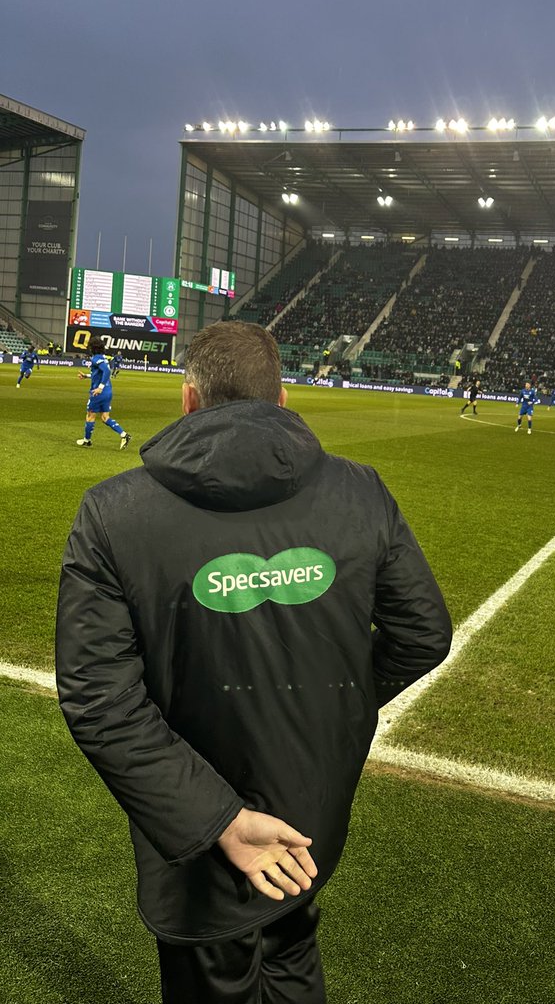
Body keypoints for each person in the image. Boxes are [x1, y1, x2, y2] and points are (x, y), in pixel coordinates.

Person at [56, 320, 452, 1004]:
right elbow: (422, 636)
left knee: (221, 974)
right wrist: (335, 705)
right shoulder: (362, 491)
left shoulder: (111, 514)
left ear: (187, 399)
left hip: (200, 841)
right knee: (293, 951)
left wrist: (219, 822)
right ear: (284, 400)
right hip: (310, 813)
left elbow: (101, 700)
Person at [75, 335, 131, 449]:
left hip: (99, 392)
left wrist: (100, 387)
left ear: (92, 348)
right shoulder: (103, 358)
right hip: (108, 391)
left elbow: (107, 371)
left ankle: (87, 440)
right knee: (105, 417)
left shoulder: (96, 358)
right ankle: (124, 435)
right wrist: (86, 376)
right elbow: (99, 374)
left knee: (90, 415)